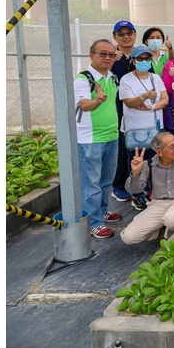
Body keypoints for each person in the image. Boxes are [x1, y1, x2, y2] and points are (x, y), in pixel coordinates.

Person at [74, 39, 122, 239]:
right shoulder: (83, 79)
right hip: (90, 139)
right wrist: (97, 101)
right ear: (91, 55)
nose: (107, 58)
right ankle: (93, 223)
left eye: (111, 54)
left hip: (112, 135)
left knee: (105, 181)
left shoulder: (112, 77)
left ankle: (102, 212)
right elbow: (84, 105)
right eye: (103, 54)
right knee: (91, 184)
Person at [120, 132, 174, 244]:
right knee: (128, 237)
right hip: (158, 203)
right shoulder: (148, 165)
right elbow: (134, 191)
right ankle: (160, 232)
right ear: (159, 152)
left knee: (171, 220)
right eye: (171, 147)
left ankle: (168, 232)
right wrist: (136, 173)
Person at [118, 46, 168, 209]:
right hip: (135, 130)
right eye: (140, 59)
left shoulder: (155, 78)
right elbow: (129, 102)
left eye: (147, 59)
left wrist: (151, 107)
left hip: (155, 129)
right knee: (136, 164)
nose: (144, 62)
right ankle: (137, 195)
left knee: (155, 162)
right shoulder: (126, 79)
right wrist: (144, 96)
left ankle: (153, 193)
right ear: (133, 61)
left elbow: (165, 99)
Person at [110, 20, 139, 203]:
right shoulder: (110, 57)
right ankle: (119, 185)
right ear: (115, 37)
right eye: (121, 34)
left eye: (129, 33)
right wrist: (111, 59)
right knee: (121, 150)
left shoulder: (141, 55)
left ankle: (139, 185)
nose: (126, 37)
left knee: (140, 148)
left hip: (141, 111)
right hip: (119, 111)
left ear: (135, 34)